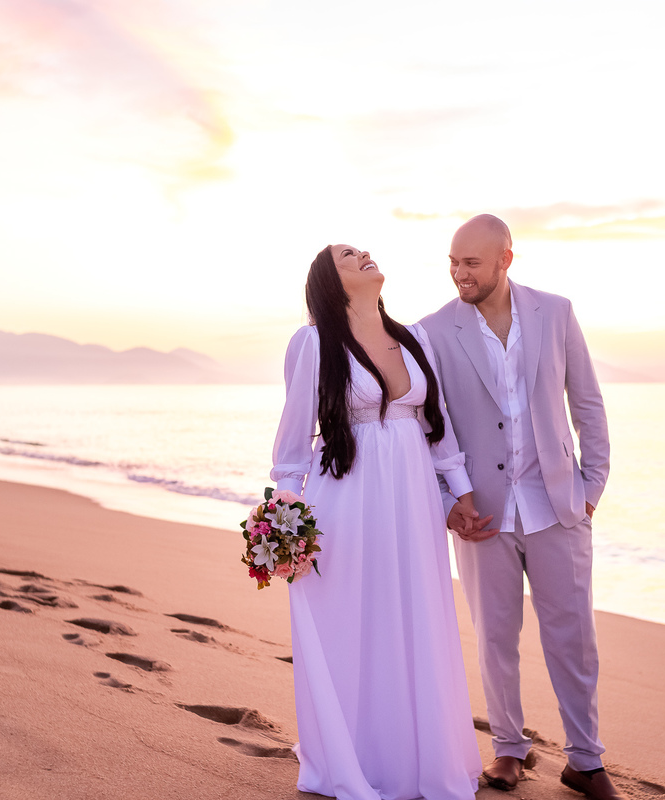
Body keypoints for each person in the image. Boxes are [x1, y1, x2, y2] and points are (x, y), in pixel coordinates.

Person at [270, 244, 483, 800]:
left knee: (413, 616)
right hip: (346, 498)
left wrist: (457, 494)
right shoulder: (313, 343)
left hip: (411, 503)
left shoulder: (415, 338)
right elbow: (293, 443)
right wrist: (285, 515)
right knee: (351, 622)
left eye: (364, 249)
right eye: (348, 255)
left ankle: (416, 762)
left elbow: (439, 430)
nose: (365, 255)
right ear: (328, 279)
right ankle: (352, 758)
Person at [420, 215, 623, 799]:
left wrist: (591, 488)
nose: (460, 274)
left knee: (573, 637)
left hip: (558, 506)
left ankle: (585, 759)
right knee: (494, 637)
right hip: (482, 514)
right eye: (453, 263)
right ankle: (508, 749)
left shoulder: (555, 312)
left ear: (507, 259)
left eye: (472, 264)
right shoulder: (433, 331)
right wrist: (447, 500)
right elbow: (432, 428)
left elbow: (588, 403)